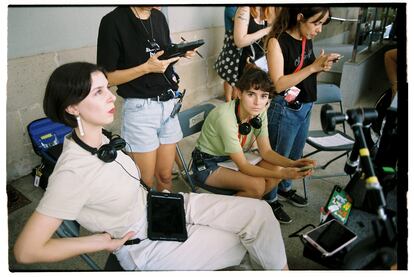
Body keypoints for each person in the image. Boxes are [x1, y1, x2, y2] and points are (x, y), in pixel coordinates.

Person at [13, 62, 289, 270]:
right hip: (144, 243)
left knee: (260, 215)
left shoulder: (105, 141)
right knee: (243, 239)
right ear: (72, 108)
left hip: (163, 206)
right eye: (98, 92)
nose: (111, 97)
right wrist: (98, 242)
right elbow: (26, 251)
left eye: (107, 88)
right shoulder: (72, 171)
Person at [191, 65, 315, 215]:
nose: (257, 102)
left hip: (231, 158)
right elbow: (243, 165)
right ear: (239, 93)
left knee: (275, 170)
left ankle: (244, 205)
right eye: (251, 94)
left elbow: (267, 151)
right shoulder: (225, 117)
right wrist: (285, 175)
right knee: (256, 186)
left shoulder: (260, 111)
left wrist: (293, 163)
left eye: (263, 96)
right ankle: (227, 215)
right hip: (207, 164)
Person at [97, 6, 194, 192]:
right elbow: (106, 78)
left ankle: (163, 216)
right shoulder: (113, 21)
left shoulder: (158, 16)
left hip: (169, 105)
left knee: (165, 176)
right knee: (144, 182)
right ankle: (145, 219)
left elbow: (161, 56)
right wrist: (146, 68)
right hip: (140, 109)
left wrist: (180, 53)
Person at [265, 7, 340, 223]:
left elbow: (306, 68)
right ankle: (269, 199)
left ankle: (284, 187)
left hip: (305, 105)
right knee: (278, 157)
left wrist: (320, 66)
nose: (318, 29)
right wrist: (312, 68)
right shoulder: (277, 42)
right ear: (300, 18)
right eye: (316, 23)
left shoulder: (306, 37)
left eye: (322, 24)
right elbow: (279, 84)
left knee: (295, 155)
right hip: (285, 109)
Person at [234, 6, 277, 78]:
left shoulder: (264, 9)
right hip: (247, 63)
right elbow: (239, 42)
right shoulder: (244, 9)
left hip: (261, 62)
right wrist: (266, 30)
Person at [213, 6, 239, 102]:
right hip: (231, 45)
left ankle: (235, 100)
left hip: (239, 46)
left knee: (237, 76)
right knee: (229, 75)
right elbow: (240, 21)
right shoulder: (230, 7)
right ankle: (228, 101)